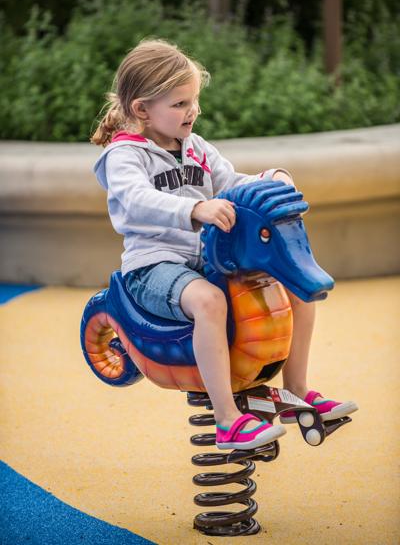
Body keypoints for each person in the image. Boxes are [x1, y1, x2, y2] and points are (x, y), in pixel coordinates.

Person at [91, 39, 357, 450]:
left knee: (294, 288)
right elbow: (137, 199)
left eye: (194, 100)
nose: (192, 111)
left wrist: (270, 179)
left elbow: (231, 183)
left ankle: (297, 390)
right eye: (180, 104)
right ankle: (227, 419)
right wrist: (196, 208)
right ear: (142, 110)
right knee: (209, 301)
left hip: (205, 258)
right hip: (153, 266)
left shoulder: (196, 148)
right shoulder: (124, 156)